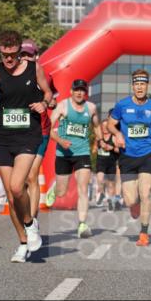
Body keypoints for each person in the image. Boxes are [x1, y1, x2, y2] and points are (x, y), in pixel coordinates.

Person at [0, 30, 52, 262]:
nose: (8, 59)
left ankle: (30, 224)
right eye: (4, 55)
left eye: (12, 55)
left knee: (18, 186)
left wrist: (43, 104)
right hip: (3, 138)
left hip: (28, 135)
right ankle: (22, 242)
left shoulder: (34, 69)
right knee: (11, 197)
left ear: (20, 52)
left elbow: (48, 93)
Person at [108, 69, 151, 246]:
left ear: (147, 85)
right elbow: (110, 124)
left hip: (147, 154)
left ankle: (144, 233)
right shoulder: (122, 105)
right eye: (137, 84)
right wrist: (118, 134)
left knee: (145, 193)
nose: (140, 87)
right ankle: (135, 204)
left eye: (143, 84)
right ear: (132, 86)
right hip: (127, 156)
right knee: (130, 200)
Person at [50, 79, 101, 238]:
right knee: (61, 192)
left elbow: (97, 126)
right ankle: (55, 188)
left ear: (85, 93)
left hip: (82, 152)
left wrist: (100, 141)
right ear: (71, 91)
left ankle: (82, 224)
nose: (79, 93)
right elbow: (48, 128)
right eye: (77, 90)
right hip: (63, 153)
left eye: (82, 90)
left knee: (83, 188)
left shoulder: (91, 108)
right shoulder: (62, 106)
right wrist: (60, 141)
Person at [20, 39, 57, 214]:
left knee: (31, 174)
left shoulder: (45, 76)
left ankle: (32, 220)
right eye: (22, 55)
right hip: (18, 130)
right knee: (18, 179)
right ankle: (24, 212)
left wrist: (47, 102)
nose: (25, 58)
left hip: (40, 130)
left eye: (29, 55)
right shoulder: (11, 75)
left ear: (36, 56)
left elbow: (52, 97)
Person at [95, 116, 120, 211]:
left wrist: (111, 148)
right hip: (100, 162)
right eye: (103, 126)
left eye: (106, 126)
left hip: (111, 163)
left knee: (111, 185)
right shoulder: (99, 138)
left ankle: (110, 202)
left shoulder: (113, 137)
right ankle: (102, 193)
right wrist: (96, 148)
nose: (105, 128)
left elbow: (119, 150)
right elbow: (94, 149)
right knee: (100, 179)